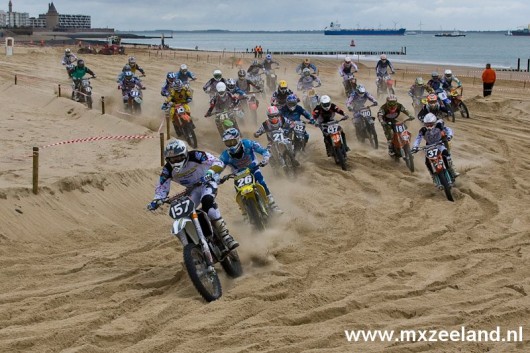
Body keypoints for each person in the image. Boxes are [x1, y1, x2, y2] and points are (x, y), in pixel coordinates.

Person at [147, 139, 239, 251]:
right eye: (172, 159)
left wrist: (210, 172)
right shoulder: (168, 169)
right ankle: (195, 244)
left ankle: (226, 236)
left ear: (185, 154)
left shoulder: (196, 155)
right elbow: (161, 184)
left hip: (207, 182)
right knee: (184, 214)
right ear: (168, 159)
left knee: (207, 202)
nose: (175, 160)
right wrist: (157, 199)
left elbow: (218, 162)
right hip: (192, 190)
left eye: (178, 157)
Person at [214, 128, 282, 215]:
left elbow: (263, 150)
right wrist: (216, 178)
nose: (231, 145)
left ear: (238, 139)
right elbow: (218, 167)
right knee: (238, 190)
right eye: (228, 143)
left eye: (232, 142)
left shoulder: (248, 143)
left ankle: (273, 205)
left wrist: (266, 158)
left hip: (253, 167)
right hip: (238, 174)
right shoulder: (225, 155)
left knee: (261, 181)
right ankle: (245, 212)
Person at [411, 113, 459, 179]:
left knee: (446, 154)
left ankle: (452, 170)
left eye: (431, 124)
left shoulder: (439, 125)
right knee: (427, 161)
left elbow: (448, 129)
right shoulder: (423, 130)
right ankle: (432, 175)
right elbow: (418, 138)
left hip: (439, 143)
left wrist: (449, 135)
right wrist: (415, 146)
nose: (429, 126)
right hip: (429, 146)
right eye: (427, 124)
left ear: (434, 122)